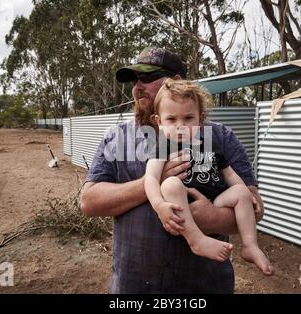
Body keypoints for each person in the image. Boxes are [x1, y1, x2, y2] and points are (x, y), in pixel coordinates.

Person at [80, 47, 265, 293]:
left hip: (204, 286)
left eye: (147, 78)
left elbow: (254, 205)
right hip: (135, 287)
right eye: (135, 81)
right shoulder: (117, 138)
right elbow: (89, 202)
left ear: (176, 82)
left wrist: (213, 218)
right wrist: (151, 183)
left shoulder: (220, 137)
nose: (137, 88)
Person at [144, 78, 273, 275]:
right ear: (159, 122)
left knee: (240, 190)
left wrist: (248, 195)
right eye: (171, 119)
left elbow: (229, 173)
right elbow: (151, 178)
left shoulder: (211, 143)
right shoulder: (163, 146)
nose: (181, 126)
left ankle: (250, 245)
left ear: (200, 119)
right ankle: (196, 239)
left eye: (188, 118)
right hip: (182, 203)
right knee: (170, 184)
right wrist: (159, 205)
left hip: (216, 201)